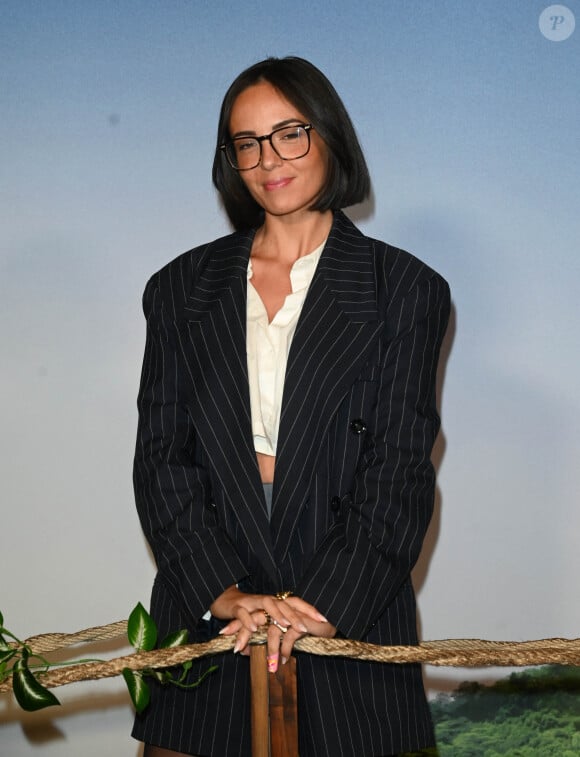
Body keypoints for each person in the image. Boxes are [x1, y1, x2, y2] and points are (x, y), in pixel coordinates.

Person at [132, 56, 450, 757]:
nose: (267, 158)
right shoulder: (180, 287)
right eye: (246, 142)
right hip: (211, 592)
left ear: (329, 136)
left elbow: (399, 466)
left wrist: (323, 603)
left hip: (349, 595)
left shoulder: (404, 288)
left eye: (289, 133)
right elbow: (162, 458)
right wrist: (220, 590)